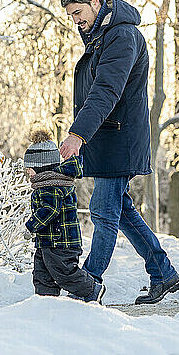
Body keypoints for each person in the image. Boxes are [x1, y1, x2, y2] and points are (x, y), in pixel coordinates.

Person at [58, 0, 179, 304]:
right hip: (109, 137)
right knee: (121, 210)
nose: (75, 20)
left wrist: (77, 134)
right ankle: (163, 273)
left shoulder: (122, 36)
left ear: (96, 2)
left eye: (78, 12)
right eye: (71, 15)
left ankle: (89, 284)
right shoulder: (103, 35)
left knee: (102, 211)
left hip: (121, 138)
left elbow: (106, 90)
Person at [24, 130, 105, 304]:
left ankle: (92, 289)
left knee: (64, 273)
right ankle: (45, 301)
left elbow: (49, 210)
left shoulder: (51, 186)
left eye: (29, 168)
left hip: (61, 242)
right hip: (48, 241)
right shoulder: (47, 183)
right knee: (42, 273)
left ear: (41, 167)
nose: (28, 172)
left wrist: (31, 225)